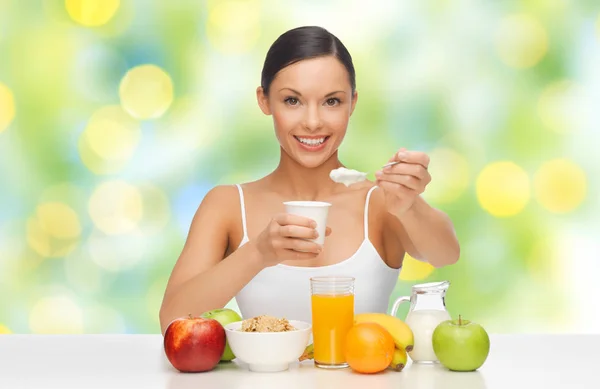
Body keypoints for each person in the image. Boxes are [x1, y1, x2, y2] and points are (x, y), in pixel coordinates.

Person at [159, 26, 460, 335]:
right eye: (292, 101)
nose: (313, 122)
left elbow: (446, 254)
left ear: (352, 103)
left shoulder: (381, 202)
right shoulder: (227, 205)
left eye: (331, 102)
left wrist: (410, 205)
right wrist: (259, 253)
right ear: (264, 101)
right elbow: (173, 318)